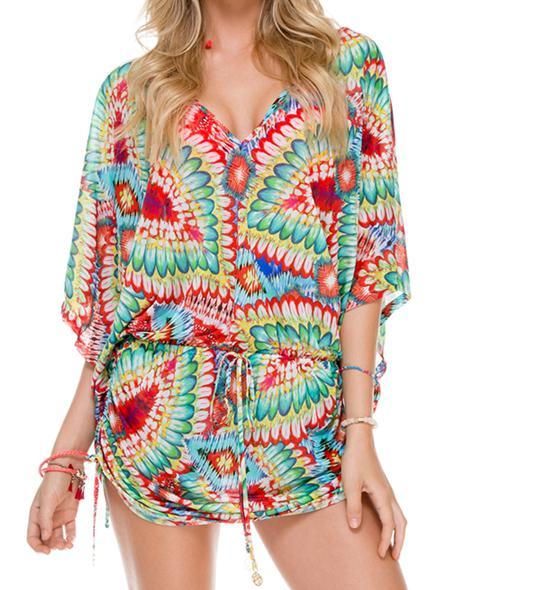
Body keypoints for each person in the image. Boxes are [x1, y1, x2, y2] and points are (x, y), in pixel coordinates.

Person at [27, 1, 412, 588]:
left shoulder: (347, 66)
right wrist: (65, 459)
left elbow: (369, 259)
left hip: (304, 426)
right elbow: (110, 307)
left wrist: (359, 429)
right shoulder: (131, 94)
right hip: (159, 423)